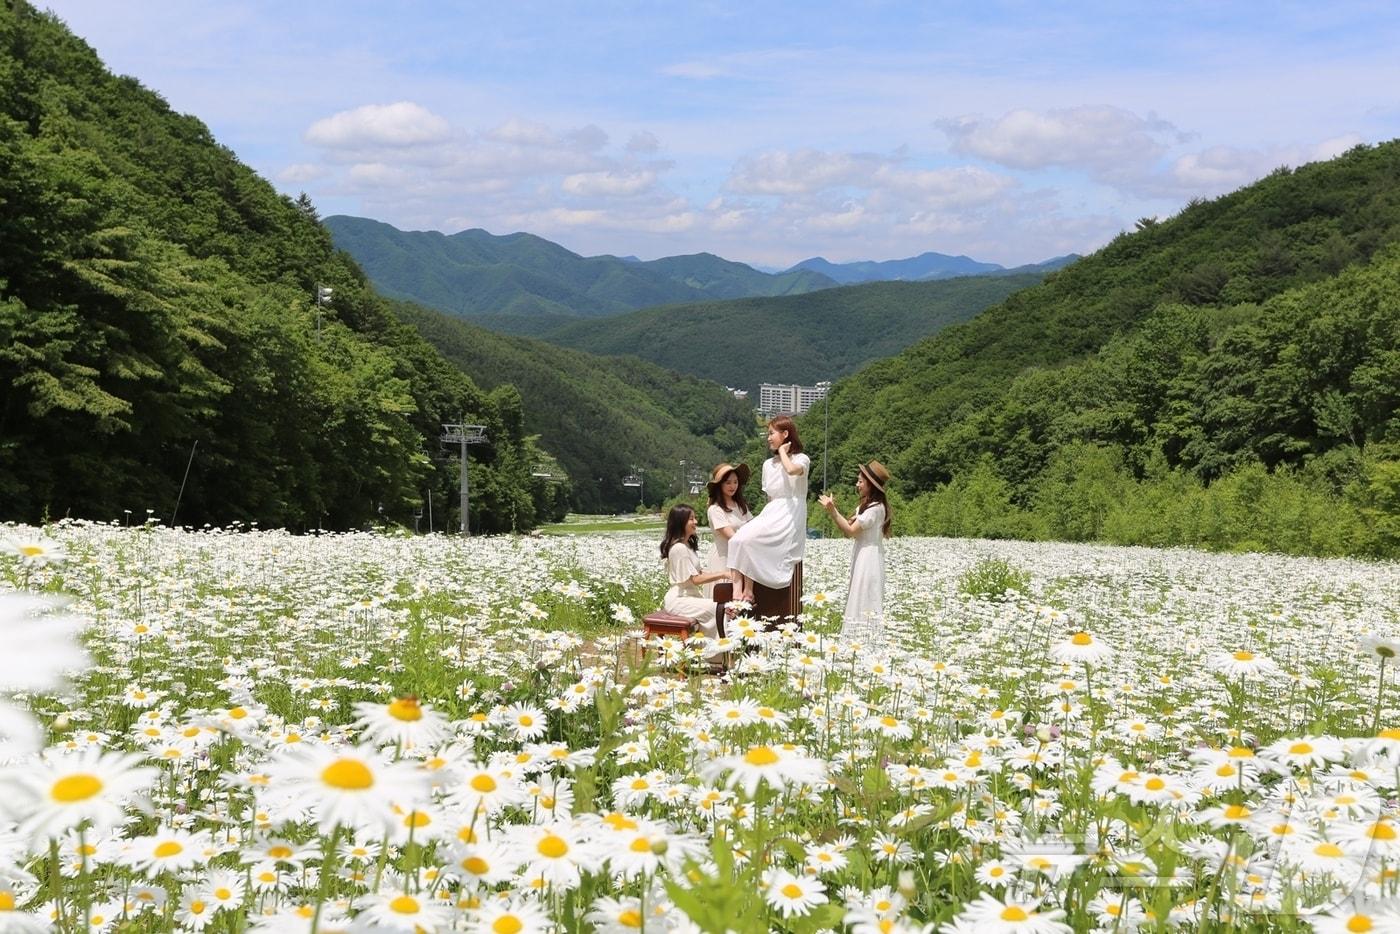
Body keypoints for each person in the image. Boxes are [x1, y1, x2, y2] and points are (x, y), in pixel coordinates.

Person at [727, 415, 811, 605]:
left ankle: (748, 593)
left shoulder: (801, 459)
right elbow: (770, 498)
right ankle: (738, 594)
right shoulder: (767, 465)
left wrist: (783, 452)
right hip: (773, 511)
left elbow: (790, 470)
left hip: (791, 512)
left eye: (771, 433)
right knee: (738, 540)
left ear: (785, 434)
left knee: (750, 540)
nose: (768, 437)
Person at [818, 460, 891, 641]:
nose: (857, 485)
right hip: (864, 554)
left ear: (870, 485)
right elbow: (849, 530)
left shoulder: (874, 510)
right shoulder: (866, 507)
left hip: (869, 558)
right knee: (859, 594)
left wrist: (833, 511)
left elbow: (850, 531)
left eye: (860, 481)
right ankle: (858, 641)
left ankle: (864, 641)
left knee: (865, 596)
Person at [660, 504, 729, 652]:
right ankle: (712, 653)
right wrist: (723, 574)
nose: (696, 522)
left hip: (689, 596)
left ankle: (711, 652)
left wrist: (723, 572)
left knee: (722, 608)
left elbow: (699, 572)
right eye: (691, 519)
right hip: (679, 599)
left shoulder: (686, 546)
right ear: (681, 522)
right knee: (718, 609)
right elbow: (695, 579)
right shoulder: (679, 549)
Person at [703, 462, 752, 598]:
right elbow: (732, 536)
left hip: (742, 558)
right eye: (728, 482)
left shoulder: (741, 506)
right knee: (725, 601)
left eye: (735, 482)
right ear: (719, 485)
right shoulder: (715, 509)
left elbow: (753, 527)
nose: (733, 486)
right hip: (723, 560)